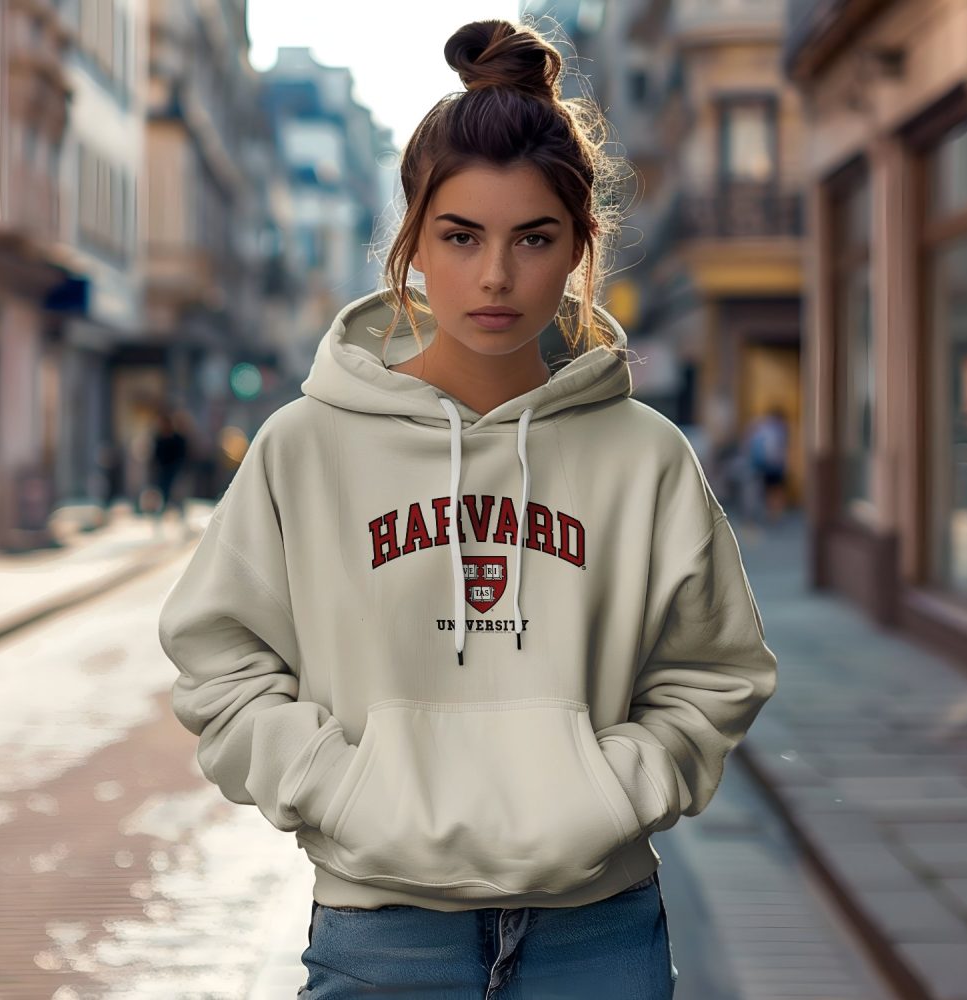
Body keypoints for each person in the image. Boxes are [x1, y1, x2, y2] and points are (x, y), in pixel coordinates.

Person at [157, 19, 778, 999]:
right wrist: (337, 785)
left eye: (534, 239)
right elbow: (217, 657)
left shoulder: (644, 457)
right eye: (461, 236)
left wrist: (615, 788)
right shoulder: (307, 446)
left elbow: (717, 669)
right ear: (413, 238)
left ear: (580, 247)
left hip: (598, 933)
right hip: (380, 930)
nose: (495, 276)